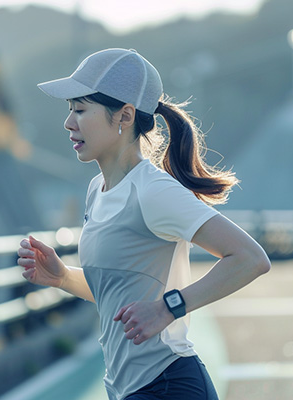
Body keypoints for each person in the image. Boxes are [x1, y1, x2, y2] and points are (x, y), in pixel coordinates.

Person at [18, 48, 270, 400]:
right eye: (69, 110)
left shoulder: (152, 190)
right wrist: (61, 276)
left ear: (123, 115)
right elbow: (121, 298)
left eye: (80, 109)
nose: (69, 123)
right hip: (130, 389)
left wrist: (170, 307)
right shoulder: (98, 190)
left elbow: (250, 258)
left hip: (169, 385)